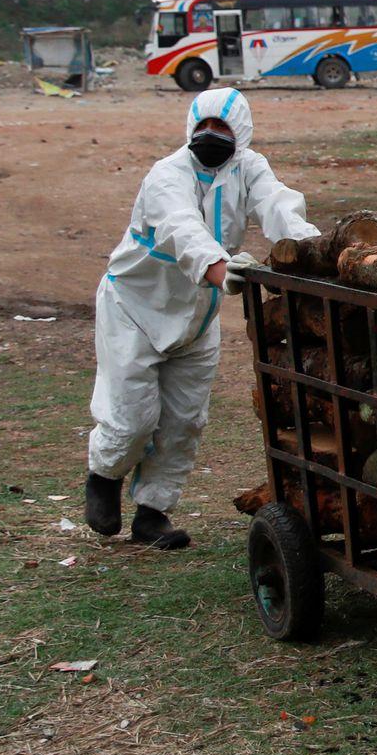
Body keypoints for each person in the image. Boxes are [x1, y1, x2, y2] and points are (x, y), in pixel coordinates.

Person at [84, 88, 319, 549]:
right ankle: (103, 476)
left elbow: (278, 204)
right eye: (203, 126)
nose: (211, 135)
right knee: (132, 418)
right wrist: (219, 268)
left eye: (223, 127)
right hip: (135, 308)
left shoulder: (249, 167)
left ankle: (152, 514)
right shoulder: (166, 174)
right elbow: (180, 227)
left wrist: (312, 249)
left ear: (243, 133)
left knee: (184, 420)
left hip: (197, 315)